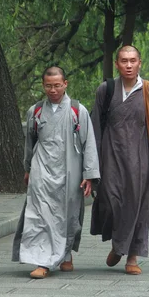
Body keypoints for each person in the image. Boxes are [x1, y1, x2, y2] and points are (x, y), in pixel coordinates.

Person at [90, 45, 149, 275]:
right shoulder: (106, 90)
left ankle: (131, 257)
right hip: (111, 158)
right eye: (123, 61)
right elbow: (95, 128)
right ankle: (118, 245)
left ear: (140, 63)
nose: (128, 65)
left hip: (141, 160)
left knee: (139, 207)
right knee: (110, 202)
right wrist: (91, 165)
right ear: (117, 64)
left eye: (132, 61)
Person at [12, 66, 100, 279]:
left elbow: (89, 144)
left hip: (70, 169)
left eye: (57, 85)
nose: (53, 90)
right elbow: (29, 143)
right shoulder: (35, 111)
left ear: (65, 84)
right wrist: (28, 169)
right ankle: (42, 262)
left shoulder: (78, 110)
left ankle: (66, 253)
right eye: (48, 86)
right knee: (40, 215)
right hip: (42, 168)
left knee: (68, 215)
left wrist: (89, 174)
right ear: (43, 86)